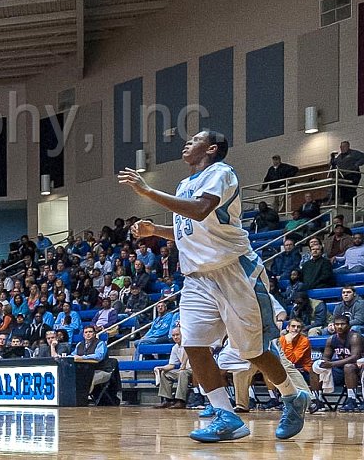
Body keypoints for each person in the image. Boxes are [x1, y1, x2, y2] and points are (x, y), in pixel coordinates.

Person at [119, 130, 309, 442]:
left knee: (253, 352)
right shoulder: (184, 185)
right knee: (193, 345)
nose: (186, 143)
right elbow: (188, 229)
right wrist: (156, 229)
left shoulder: (222, 173)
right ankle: (226, 415)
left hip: (234, 271)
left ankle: (292, 396)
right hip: (197, 278)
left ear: (211, 148)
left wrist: (149, 192)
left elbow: (200, 210)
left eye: (193, 140)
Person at [310, 315, 364, 412]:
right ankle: (318, 401)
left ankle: (352, 400)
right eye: (337, 324)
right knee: (314, 368)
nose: (339, 327)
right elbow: (326, 358)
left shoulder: (355, 337)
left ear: (348, 326)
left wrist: (332, 364)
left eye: (342, 324)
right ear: (333, 326)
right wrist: (322, 364)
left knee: (348, 367)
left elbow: (355, 357)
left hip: (358, 369)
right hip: (339, 369)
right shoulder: (331, 339)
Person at [154, 328, 190, 408]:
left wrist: (183, 364)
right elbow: (172, 365)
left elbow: (185, 359)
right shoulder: (175, 348)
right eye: (173, 335)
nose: (175, 337)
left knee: (182, 373)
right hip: (182, 370)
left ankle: (180, 401)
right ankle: (167, 399)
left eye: (177, 335)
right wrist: (161, 368)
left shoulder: (188, 344)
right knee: (165, 373)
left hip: (192, 370)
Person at [331, 141, 364, 206]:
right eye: (341, 147)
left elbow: (363, 157)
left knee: (350, 189)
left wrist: (356, 165)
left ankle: (350, 203)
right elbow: (334, 163)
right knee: (342, 189)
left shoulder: (354, 153)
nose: (342, 148)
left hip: (352, 174)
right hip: (343, 175)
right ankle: (343, 202)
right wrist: (332, 159)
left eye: (344, 146)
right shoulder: (339, 157)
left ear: (348, 147)